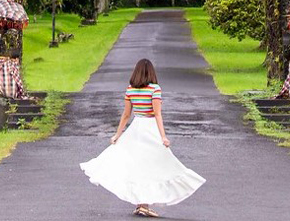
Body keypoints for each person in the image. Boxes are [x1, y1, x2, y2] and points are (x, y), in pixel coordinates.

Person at [79, 58, 205, 217]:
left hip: (136, 129)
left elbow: (126, 115)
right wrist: (163, 136)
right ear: (151, 72)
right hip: (150, 129)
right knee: (157, 165)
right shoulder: (155, 89)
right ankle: (143, 204)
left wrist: (118, 134)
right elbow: (157, 114)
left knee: (139, 165)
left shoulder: (130, 89)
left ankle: (141, 204)